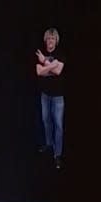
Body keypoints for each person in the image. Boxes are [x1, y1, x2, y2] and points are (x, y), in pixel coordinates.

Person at [36, 27, 65, 168]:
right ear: (45, 40)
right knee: (46, 121)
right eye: (48, 38)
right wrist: (52, 65)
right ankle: (49, 144)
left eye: (52, 38)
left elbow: (58, 71)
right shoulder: (40, 53)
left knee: (58, 126)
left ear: (56, 40)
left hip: (58, 97)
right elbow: (39, 72)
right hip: (45, 95)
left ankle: (57, 154)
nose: (50, 41)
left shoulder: (61, 53)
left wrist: (45, 63)